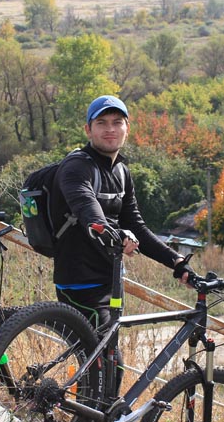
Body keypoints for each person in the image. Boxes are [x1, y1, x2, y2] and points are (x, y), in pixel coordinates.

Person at [49, 95, 193, 391]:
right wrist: (113, 233)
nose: (110, 129)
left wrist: (176, 262)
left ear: (127, 128)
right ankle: (86, 421)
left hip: (110, 281)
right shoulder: (76, 167)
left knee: (104, 365)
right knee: (106, 368)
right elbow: (87, 209)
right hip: (80, 284)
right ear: (88, 129)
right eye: (101, 123)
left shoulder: (121, 172)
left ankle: (93, 419)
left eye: (117, 122)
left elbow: (136, 225)